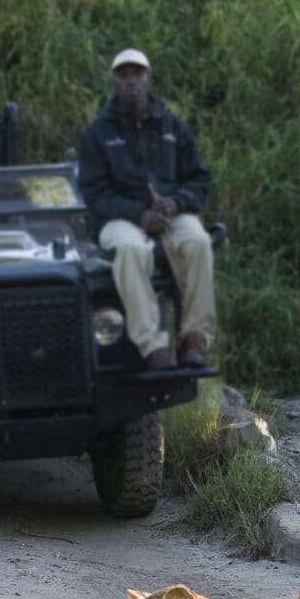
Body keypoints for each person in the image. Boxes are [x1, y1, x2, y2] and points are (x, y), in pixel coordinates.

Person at [76, 47, 216, 369]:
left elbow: (199, 179)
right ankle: (153, 345)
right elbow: (94, 194)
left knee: (198, 241)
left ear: (148, 78)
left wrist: (177, 201)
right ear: (114, 81)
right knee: (129, 249)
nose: (132, 82)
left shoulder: (173, 128)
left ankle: (195, 337)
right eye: (123, 75)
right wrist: (139, 214)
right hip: (120, 217)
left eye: (137, 74)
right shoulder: (97, 134)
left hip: (170, 213)